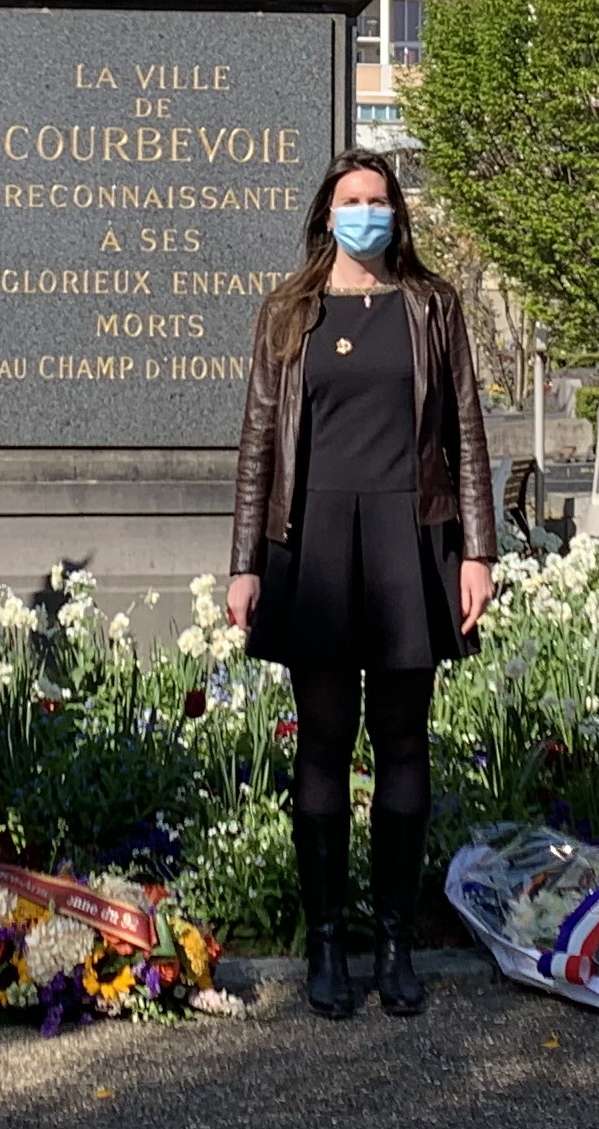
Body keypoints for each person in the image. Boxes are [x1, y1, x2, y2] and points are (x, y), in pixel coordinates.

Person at [226, 149, 495, 1020]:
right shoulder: (287, 309)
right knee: (323, 743)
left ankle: (393, 943)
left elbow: (466, 428)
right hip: (311, 543)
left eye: (379, 199)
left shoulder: (431, 303)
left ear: (397, 212)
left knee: (404, 744)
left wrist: (477, 550)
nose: (367, 213)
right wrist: (244, 562)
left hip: (410, 533)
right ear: (326, 212)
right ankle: (329, 943)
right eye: (352, 200)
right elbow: (258, 442)